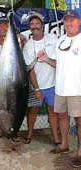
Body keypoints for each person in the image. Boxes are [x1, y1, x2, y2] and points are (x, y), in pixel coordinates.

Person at [45, 9, 81, 168]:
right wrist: (46, 60)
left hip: (77, 90)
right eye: (66, 20)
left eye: (72, 20)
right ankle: (64, 145)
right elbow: (58, 64)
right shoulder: (60, 40)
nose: (69, 23)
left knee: (80, 121)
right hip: (60, 88)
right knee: (62, 117)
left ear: (79, 22)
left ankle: (80, 153)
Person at [23, 12, 60, 144]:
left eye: (37, 23)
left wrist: (46, 59)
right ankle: (29, 133)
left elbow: (59, 61)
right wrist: (37, 88)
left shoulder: (52, 38)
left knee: (52, 110)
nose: (35, 26)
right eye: (32, 24)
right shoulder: (28, 45)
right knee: (33, 110)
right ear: (29, 27)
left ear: (42, 26)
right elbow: (30, 69)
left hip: (52, 84)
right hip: (36, 86)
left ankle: (55, 137)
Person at [0, 16, 27, 142]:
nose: (2, 27)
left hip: (13, 81)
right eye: (0, 25)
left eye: (5, 25)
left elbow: (21, 55)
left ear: (8, 26)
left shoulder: (18, 39)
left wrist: (21, 39)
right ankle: (0, 131)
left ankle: (7, 131)